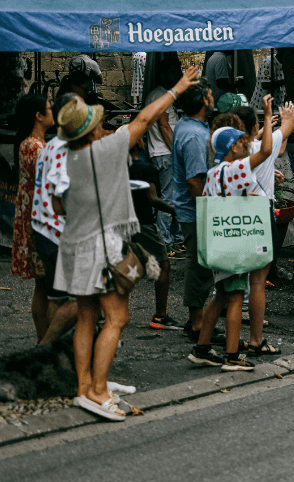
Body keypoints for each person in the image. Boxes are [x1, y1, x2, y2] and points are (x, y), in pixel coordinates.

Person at [55, 65, 200, 421]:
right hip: (102, 248)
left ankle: (84, 387)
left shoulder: (69, 156)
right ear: (90, 131)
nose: (104, 125)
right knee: (117, 317)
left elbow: (59, 204)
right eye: (97, 122)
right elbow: (147, 118)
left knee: (88, 318)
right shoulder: (105, 149)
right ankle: (100, 391)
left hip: (75, 245)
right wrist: (179, 86)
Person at [188, 97, 277, 371]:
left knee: (221, 295)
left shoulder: (214, 173)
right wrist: (270, 114)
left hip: (217, 243)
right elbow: (265, 152)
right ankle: (232, 355)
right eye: (240, 142)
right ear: (230, 147)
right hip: (235, 243)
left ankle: (202, 348)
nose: (245, 145)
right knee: (236, 296)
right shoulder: (235, 168)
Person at [235, 65, 294, 355]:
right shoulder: (263, 146)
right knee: (258, 281)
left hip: (234, 212)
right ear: (255, 127)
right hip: (260, 212)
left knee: (232, 278)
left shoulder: (227, 150)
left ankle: (226, 339)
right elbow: (292, 125)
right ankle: (256, 338)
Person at [31, 94, 80, 345]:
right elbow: (62, 199)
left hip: (43, 229)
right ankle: (45, 348)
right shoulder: (63, 150)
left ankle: (50, 352)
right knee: (78, 301)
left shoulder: (50, 145)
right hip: (58, 232)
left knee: (55, 297)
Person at [171, 77, 217, 341]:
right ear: (203, 101)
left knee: (199, 264)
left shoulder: (190, 126)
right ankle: (197, 323)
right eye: (210, 95)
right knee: (199, 266)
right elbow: (194, 180)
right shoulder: (193, 135)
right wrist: (207, 211)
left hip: (192, 208)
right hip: (195, 209)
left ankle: (197, 320)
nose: (213, 98)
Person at [12, 94, 54, 344]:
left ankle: (44, 340)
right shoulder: (34, 147)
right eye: (48, 108)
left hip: (34, 218)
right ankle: (46, 340)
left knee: (43, 285)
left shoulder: (33, 144)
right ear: (39, 116)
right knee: (47, 285)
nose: (52, 111)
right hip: (38, 221)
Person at [128, 129, 178, 329]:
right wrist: (176, 210)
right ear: (139, 143)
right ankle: (160, 314)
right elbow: (153, 199)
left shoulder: (114, 168)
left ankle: (101, 313)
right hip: (144, 223)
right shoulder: (146, 169)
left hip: (119, 224)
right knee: (163, 264)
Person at [142, 84, 180, 251]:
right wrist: (175, 151)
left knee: (166, 196)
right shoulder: (162, 95)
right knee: (168, 198)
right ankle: (165, 241)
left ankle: (171, 238)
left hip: (158, 152)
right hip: (165, 152)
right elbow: (164, 126)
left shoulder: (154, 93)